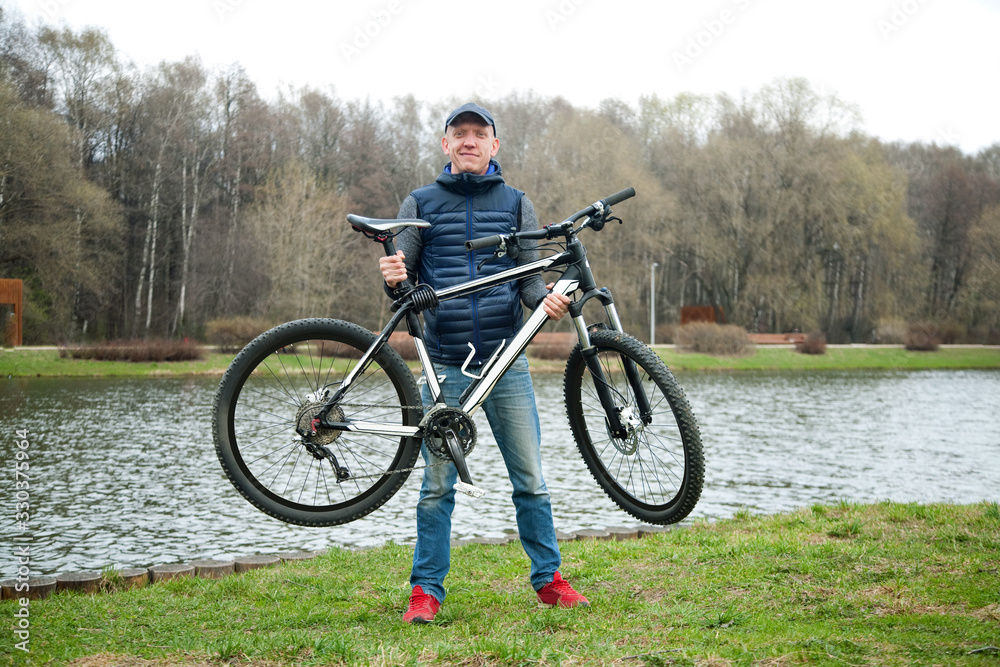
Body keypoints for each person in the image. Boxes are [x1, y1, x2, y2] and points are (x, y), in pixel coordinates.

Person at [379, 102, 588, 624]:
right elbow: (403, 282)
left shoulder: (517, 202)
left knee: (531, 479)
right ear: (445, 144)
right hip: (444, 364)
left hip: (506, 361)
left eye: (479, 134)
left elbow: (528, 279)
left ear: (495, 146)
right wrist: (392, 276)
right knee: (436, 486)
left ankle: (549, 580)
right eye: (459, 134)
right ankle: (426, 590)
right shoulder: (420, 202)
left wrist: (546, 301)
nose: (469, 141)